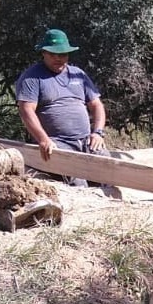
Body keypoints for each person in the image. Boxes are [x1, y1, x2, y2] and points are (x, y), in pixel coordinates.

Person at [15, 28, 109, 187]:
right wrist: (43, 139)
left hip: (87, 141)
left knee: (110, 173)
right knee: (78, 184)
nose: (58, 58)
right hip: (58, 143)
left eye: (63, 54)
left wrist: (98, 133)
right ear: (43, 53)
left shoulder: (78, 74)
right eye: (53, 54)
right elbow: (26, 110)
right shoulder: (32, 77)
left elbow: (96, 105)